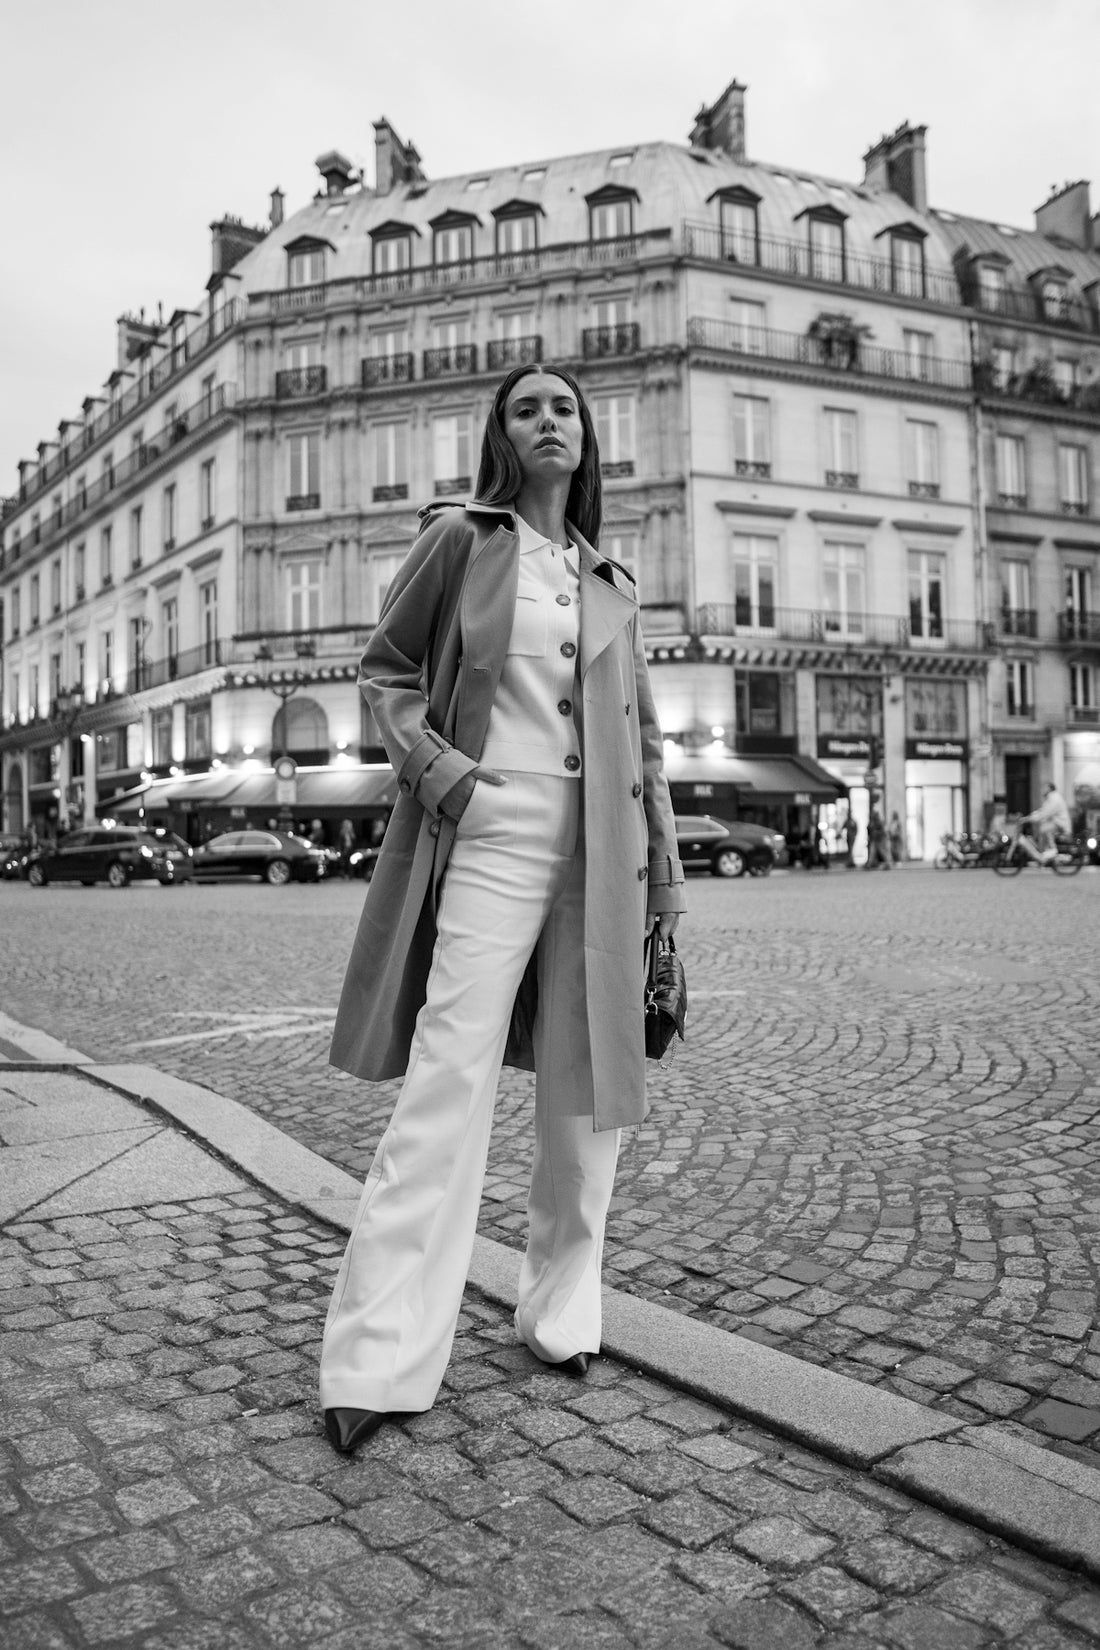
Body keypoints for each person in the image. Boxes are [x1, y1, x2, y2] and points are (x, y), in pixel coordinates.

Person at [319, 364, 686, 1456]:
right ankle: (376, 1360)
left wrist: (665, 889)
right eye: (523, 408)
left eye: (562, 407)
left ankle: (560, 1309)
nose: (544, 420)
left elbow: (647, 753)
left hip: (602, 847)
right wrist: (446, 777)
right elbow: (384, 673)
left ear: (586, 437)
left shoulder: (609, 578)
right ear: (499, 433)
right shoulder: (458, 541)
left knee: (591, 1102)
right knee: (448, 1078)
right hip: (487, 828)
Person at [1017, 782, 1072, 864]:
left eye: (1044, 788)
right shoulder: (1050, 798)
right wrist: (1028, 817)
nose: (1042, 790)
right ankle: (1043, 852)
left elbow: (1044, 814)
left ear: (1049, 789)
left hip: (1060, 824)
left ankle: (1051, 851)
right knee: (1042, 829)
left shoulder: (1054, 798)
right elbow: (1041, 811)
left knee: (1044, 829)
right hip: (1056, 822)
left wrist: (1028, 819)